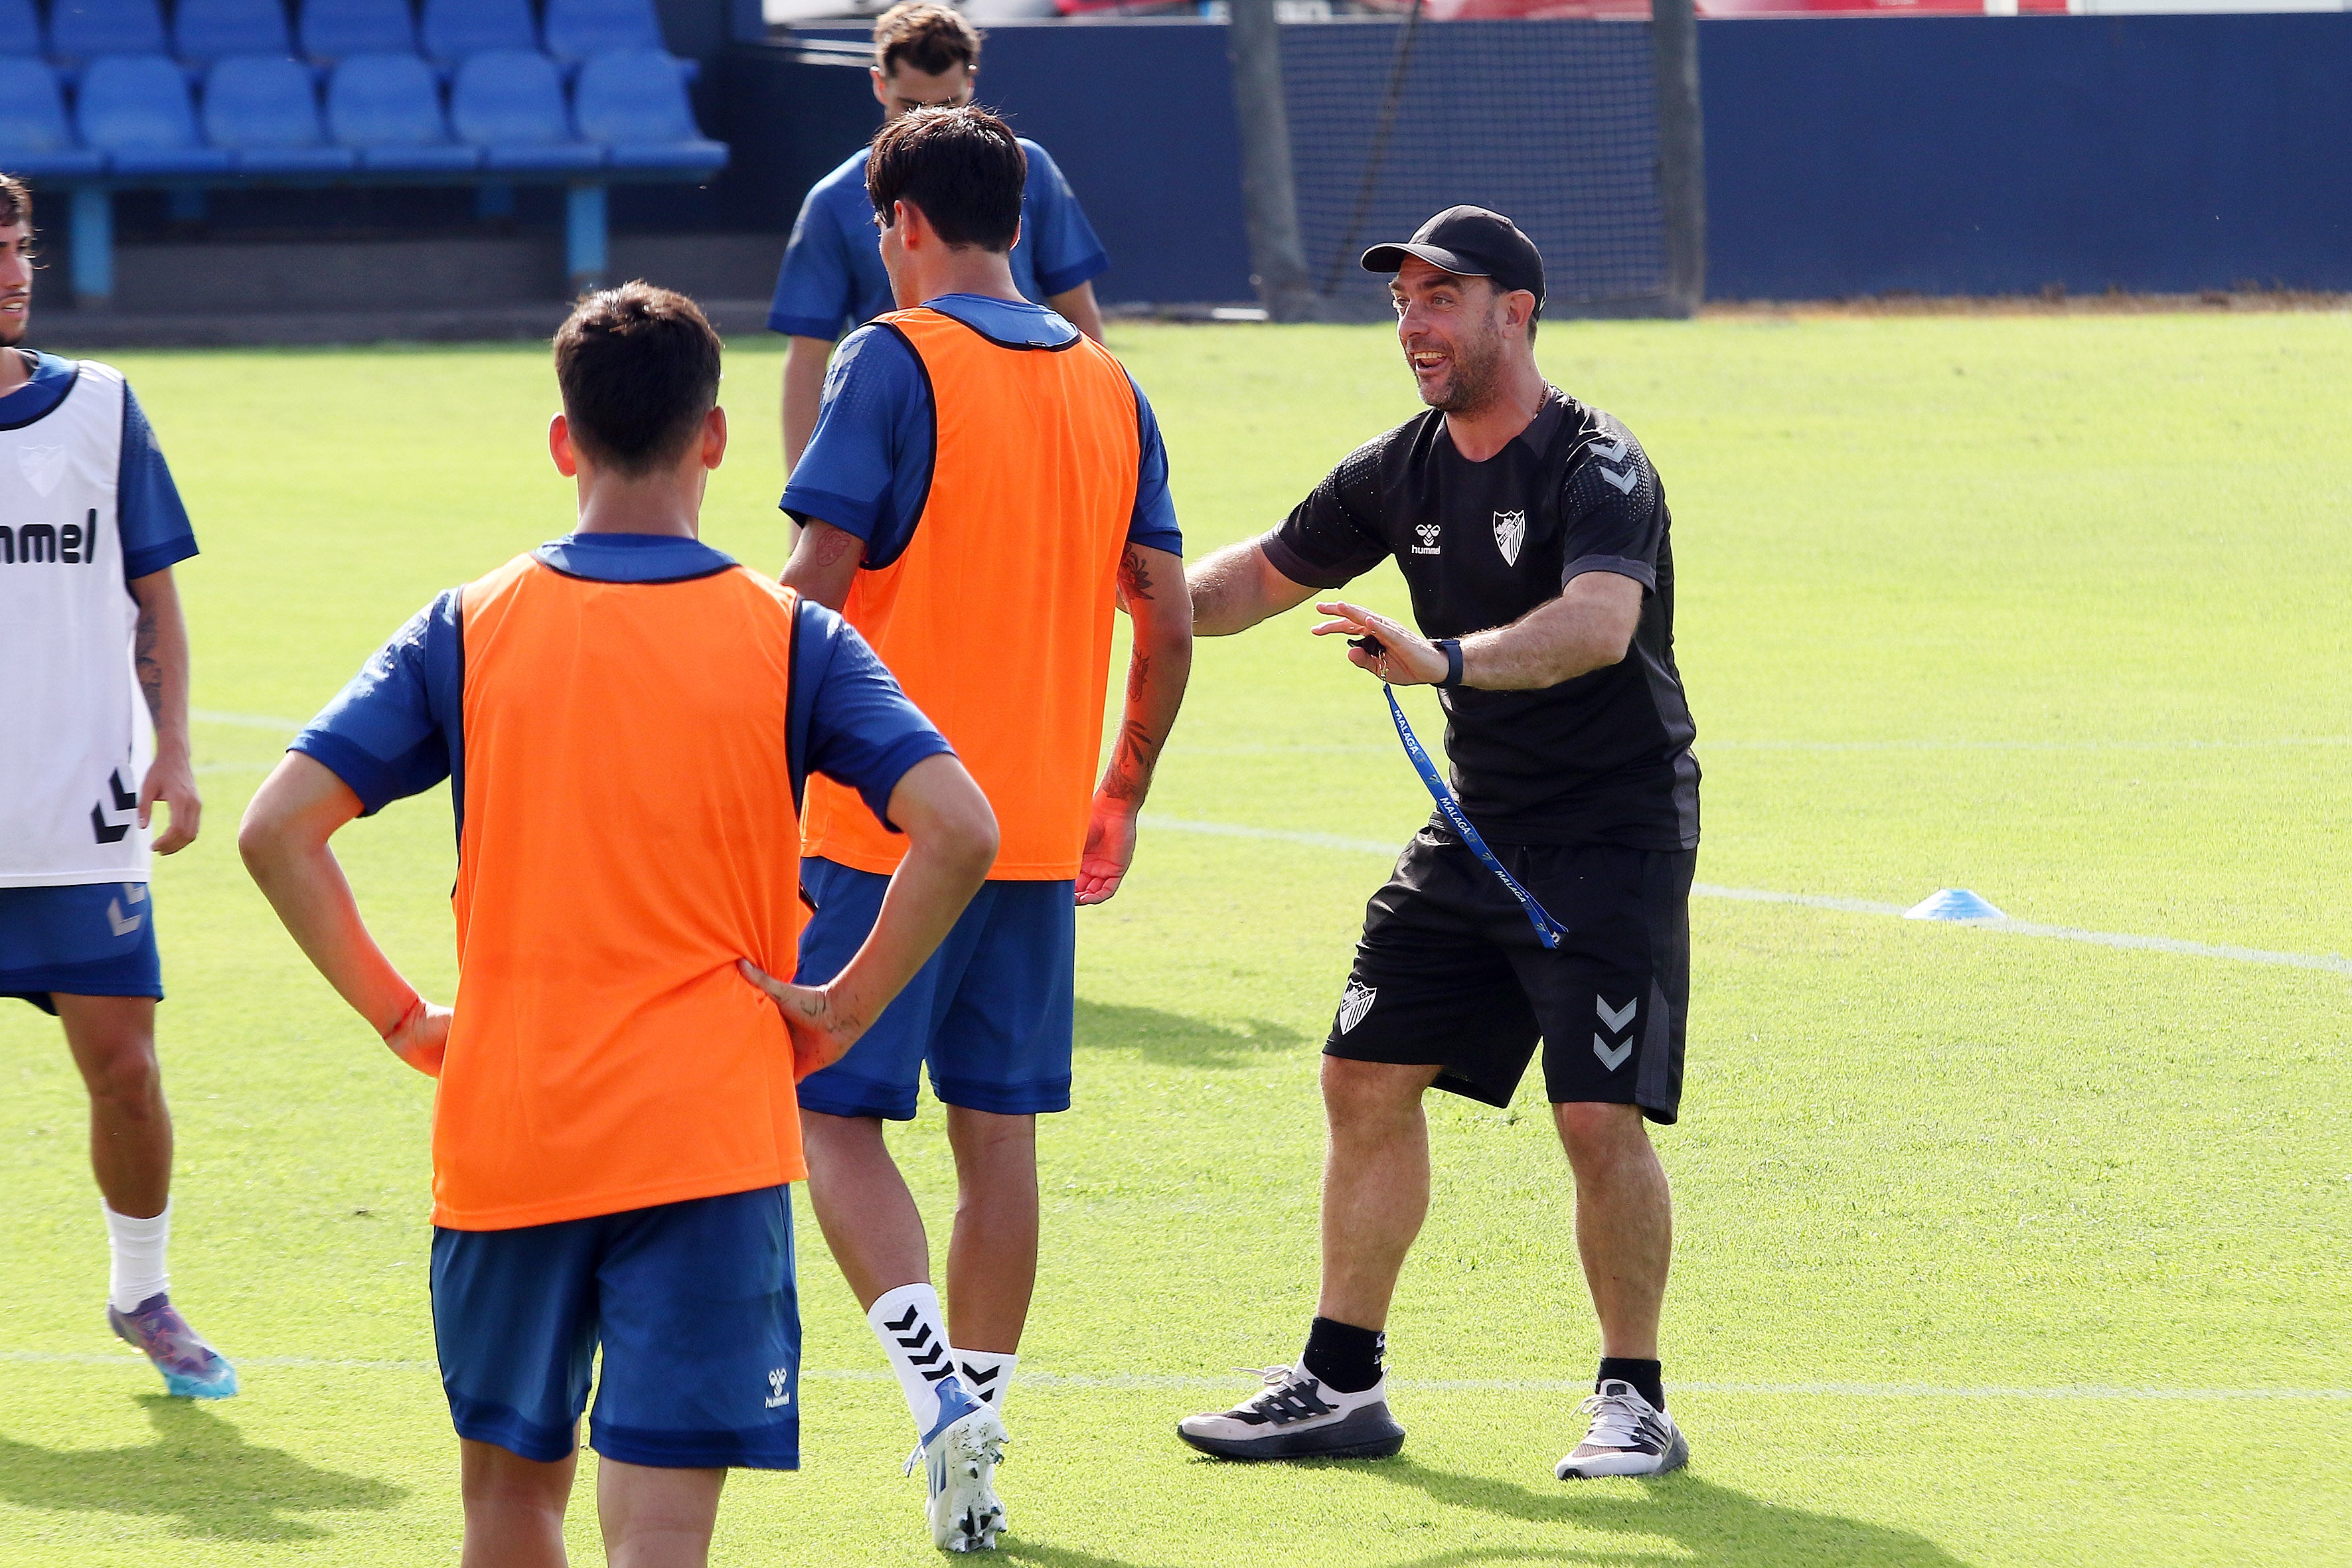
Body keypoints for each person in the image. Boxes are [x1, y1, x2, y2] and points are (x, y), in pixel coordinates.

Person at [238, 283, 1002, 1568]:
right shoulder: (794, 639)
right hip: (708, 1140)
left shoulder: (465, 627)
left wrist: (404, 1016)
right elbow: (961, 828)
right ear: (714, 438)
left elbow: (277, 830)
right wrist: (846, 1003)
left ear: (561, 439)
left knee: (509, 1510)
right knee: (659, 1530)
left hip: (511, 1129)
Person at [1176, 206, 1700, 1480]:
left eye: (1440, 298)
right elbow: (1244, 585)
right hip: (1474, 828)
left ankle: (1634, 1399)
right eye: (1400, 301)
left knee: (1594, 1116)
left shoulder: (1597, 462)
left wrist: (1442, 659)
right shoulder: (1395, 468)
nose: (1412, 325)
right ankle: (1339, 1383)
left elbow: (1595, 623)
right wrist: (1105, 590)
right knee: (1361, 1077)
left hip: (1609, 833)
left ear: (1513, 311)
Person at [777, 106, 1191, 1551]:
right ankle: (987, 1426)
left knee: (829, 1118)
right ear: (1017, 220)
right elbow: (1169, 612)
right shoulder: (1111, 385)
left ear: (900, 226)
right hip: (1026, 828)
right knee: (995, 1136)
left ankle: (932, 1391)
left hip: (878, 827)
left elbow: (812, 586)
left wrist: (737, 751)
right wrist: (1121, 785)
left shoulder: (890, 359)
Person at [0, 174, 234, 1402]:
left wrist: (177, 751)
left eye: (17, 247)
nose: (13, 271)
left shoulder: (100, 407)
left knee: (127, 1072)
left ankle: (141, 1292)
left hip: (78, 818)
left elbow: (155, 596)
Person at [769, 0, 1111, 477]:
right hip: (901, 434)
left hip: (1029, 420)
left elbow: (1078, 313)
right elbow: (807, 360)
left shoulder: (1025, 170)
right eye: (910, 106)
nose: (928, 121)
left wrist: (1097, 434)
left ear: (971, 83)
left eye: (948, 104)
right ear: (879, 85)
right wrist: (805, 499)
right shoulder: (832, 200)